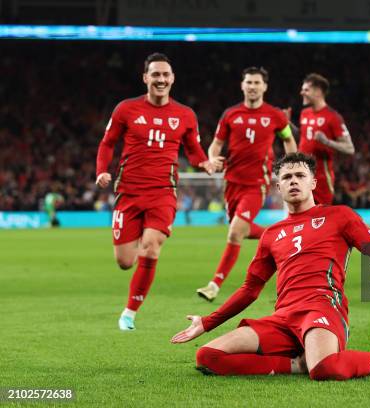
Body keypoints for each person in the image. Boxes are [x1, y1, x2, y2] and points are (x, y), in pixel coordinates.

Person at [172, 152, 370, 380]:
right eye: (287, 177)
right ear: (278, 187)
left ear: (313, 183)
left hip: (322, 307)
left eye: (300, 176)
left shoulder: (339, 216)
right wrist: (207, 323)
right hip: (283, 318)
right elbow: (250, 289)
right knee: (208, 357)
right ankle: (296, 364)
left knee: (326, 369)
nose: (294, 181)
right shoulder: (271, 234)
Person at [96, 53, 215, 330]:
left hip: (163, 192)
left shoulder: (185, 115)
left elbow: (194, 151)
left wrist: (205, 163)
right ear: (146, 78)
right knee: (125, 262)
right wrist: (102, 170)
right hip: (128, 192)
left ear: (172, 79)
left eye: (165, 75)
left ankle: (129, 313)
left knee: (151, 248)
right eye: (156, 75)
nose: (161, 79)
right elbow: (107, 143)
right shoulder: (125, 109)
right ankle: (138, 246)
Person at [196, 67, 297, 301]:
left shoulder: (274, 115)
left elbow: (288, 139)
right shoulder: (230, 114)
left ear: (264, 87)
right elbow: (216, 145)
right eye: (249, 82)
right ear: (242, 86)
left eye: (256, 82)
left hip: (256, 184)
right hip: (231, 183)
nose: (252, 86)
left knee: (235, 231)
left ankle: (214, 284)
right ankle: (283, 235)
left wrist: (290, 165)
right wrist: (211, 158)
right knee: (239, 231)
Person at [287, 73, 355, 205]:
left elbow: (349, 148)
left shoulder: (333, 117)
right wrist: (287, 124)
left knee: (321, 218)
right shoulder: (304, 113)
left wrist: (326, 142)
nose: (302, 93)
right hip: (301, 173)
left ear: (318, 92)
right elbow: (303, 137)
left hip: (321, 177)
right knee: (300, 217)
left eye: (306, 90)